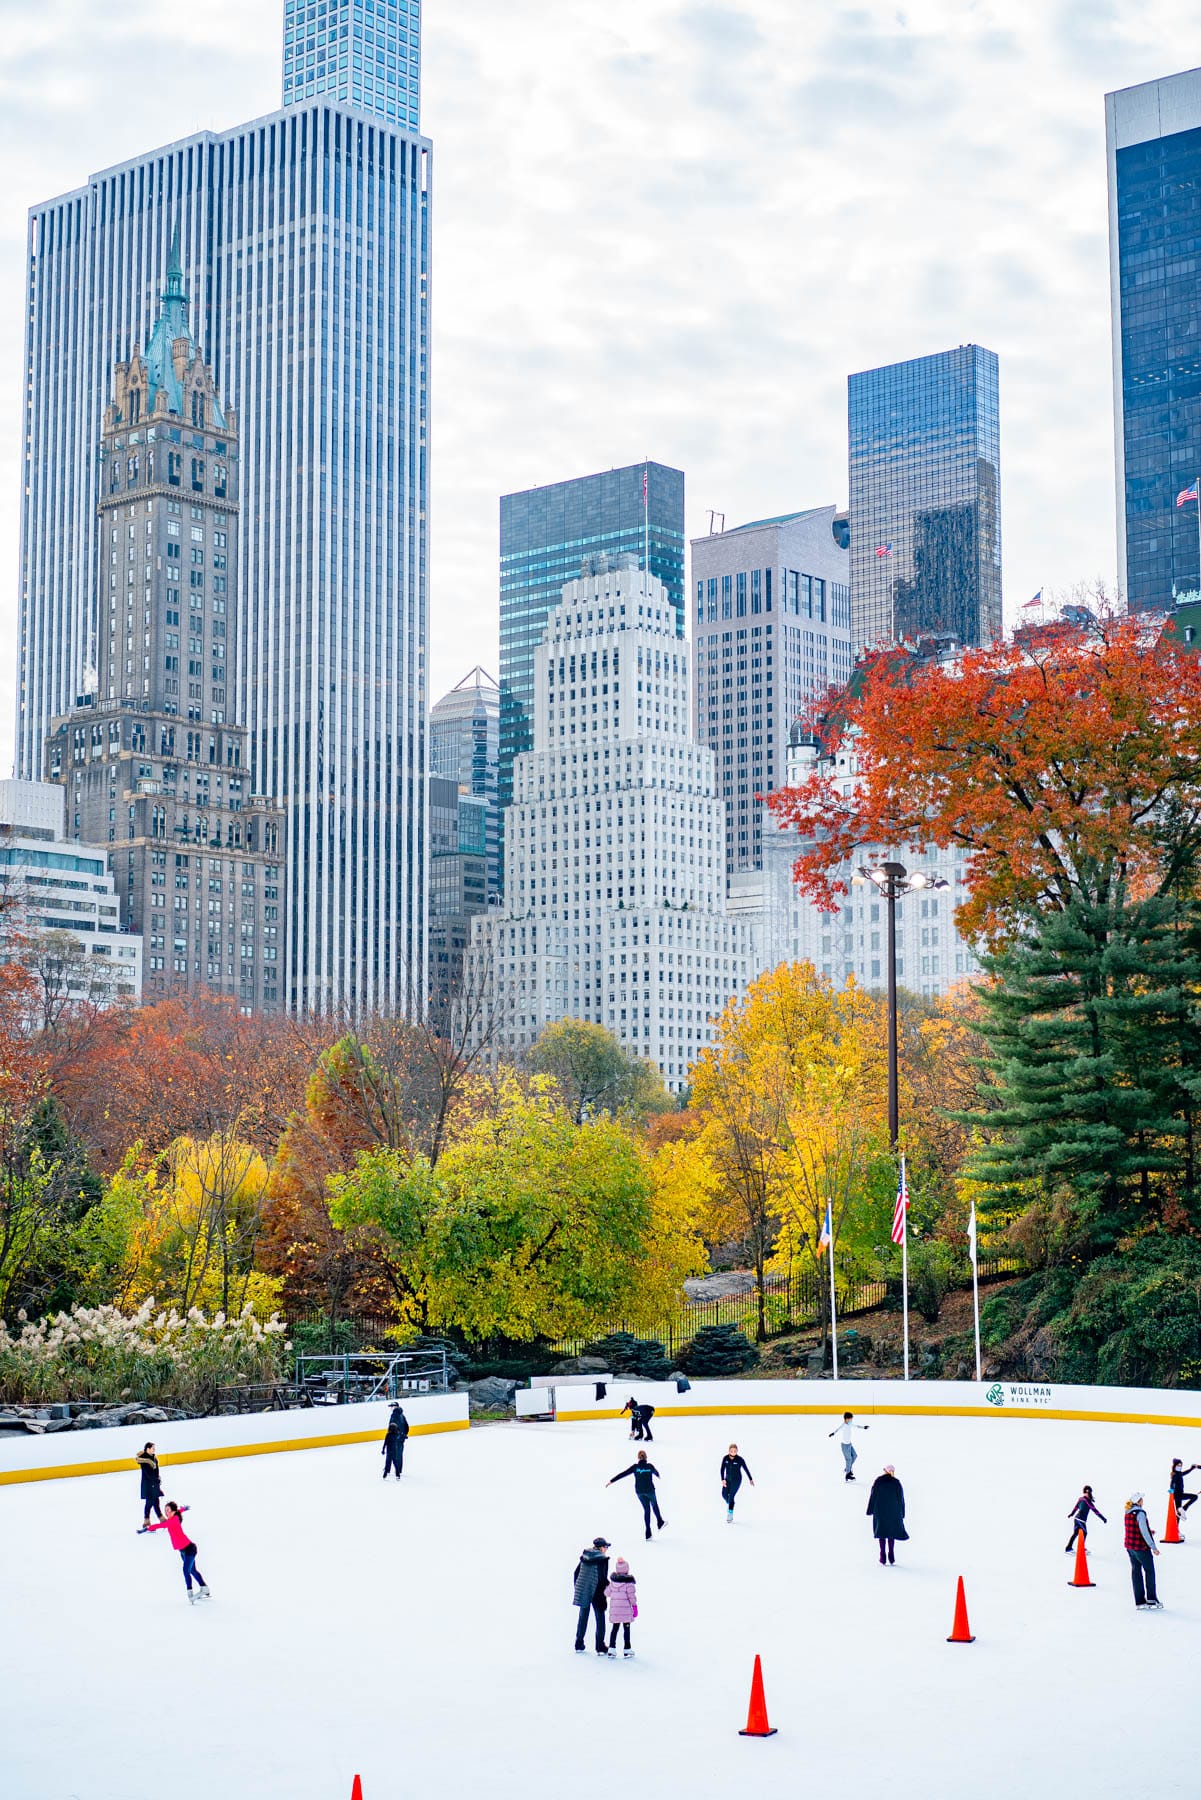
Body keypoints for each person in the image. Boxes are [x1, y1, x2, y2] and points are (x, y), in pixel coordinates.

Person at [142, 1501, 211, 1604]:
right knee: (192, 1570)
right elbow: (178, 1511)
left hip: (189, 1549)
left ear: (173, 1511)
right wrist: (183, 1509)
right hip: (183, 1551)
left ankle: (190, 1593)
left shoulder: (173, 1520)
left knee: (186, 1570)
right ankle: (204, 1588)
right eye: (165, 1511)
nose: (166, 1513)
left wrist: (147, 1528)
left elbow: (160, 1525)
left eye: (168, 1510)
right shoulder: (174, 1517)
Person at [608, 1450, 666, 1540]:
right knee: (654, 1505)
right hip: (650, 1490)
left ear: (638, 1458)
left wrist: (611, 1481)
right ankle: (660, 1522)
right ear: (646, 1457)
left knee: (647, 1510)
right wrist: (658, 1475)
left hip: (639, 1492)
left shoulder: (635, 1467)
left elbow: (623, 1474)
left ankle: (648, 1533)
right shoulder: (649, 1466)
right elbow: (655, 1472)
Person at [572, 1536, 611, 1655]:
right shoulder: (602, 1560)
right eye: (605, 1547)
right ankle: (600, 1646)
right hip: (597, 1592)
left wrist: (579, 1587)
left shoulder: (585, 1556)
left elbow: (576, 1573)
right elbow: (602, 1578)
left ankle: (579, 1644)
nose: (606, 1549)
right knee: (600, 1618)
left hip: (584, 1590)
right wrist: (608, 1589)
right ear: (600, 1548)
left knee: (583, 1617)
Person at [1123, 1493, 1162, 1610]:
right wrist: (1153, 1547)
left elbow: (1136, 1528)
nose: (1143, 1501)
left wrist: (1150, 1531)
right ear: (1139, 1502)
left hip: (1130, 1547)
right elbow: (1143, 1531)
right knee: (1149, 1571)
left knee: (1136, 1573)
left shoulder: (1127, 1512)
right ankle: (1151, 1599)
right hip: (1141, 1548)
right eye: (1142, 1500)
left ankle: (1139, 1601)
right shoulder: (1140, 1513)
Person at [866, 1464, 909, 1566]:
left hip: (880, 1511)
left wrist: (870, 1510)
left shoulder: (878, 1481)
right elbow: (901, 1499)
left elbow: (873, 1496)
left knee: (882, 1532)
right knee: (891, 1532)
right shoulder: (896, 1483)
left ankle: (882, 1555)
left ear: (884, 1471)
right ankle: (891, 1554)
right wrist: (902, 1512)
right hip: (893, 1511)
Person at [605, 1555, 638, 1658]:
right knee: (626, 1629)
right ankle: (627, 1649)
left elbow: (607, 1593)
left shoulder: (613, 1582)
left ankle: (611, 1649)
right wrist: (634, 1607)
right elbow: (631, 1597)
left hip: (615, 1611)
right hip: (626, 1612)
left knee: (614, 1629)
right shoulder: (629, 1584)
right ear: (627, 1570)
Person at [828, 1411, 869, 1482]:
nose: (851, 1420)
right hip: (844, 1446)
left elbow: (857, 1426)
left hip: (849, 1444)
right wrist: (833, 1433)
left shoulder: (850, 1424)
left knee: (855, 1456)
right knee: (849, 1459)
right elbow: (837, 1429)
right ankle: (847, 1475)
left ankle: (848, 1468)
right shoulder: (843, 1425)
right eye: (850, 1419)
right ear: (846, 1419)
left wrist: (864, 1427)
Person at [1065, 1484, 1106, 1553]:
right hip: (1081, 1520)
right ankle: (1080, 1548)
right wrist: (1103, 1518)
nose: (1087, 1494)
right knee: (1085, 1533)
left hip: (1077, 1519)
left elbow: (1076, 1507)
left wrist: (1072, 1514)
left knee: (1075, 1533)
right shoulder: (1087, 1501)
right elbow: (1096, 1511)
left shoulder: (1081, 1499)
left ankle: (1068, 1548)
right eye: (1087, 1492)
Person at [720, 1445, 754, 1521]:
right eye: (731, 1451)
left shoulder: (740, 1459)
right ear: (729, 1451)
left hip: (737, 1480)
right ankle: (731, 1503)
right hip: (727, 1480)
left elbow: (746, 1469)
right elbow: (722, 1469)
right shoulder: (725, 1458)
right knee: (724, 1495)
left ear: (737, 1451)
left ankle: (730, 1514)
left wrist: (750, 1479)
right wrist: (722, 1479)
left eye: (735, 1451)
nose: (733, 1452)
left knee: (731, 1496)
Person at [135, 1442, 163, 1526]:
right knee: (149, 1502)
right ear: (148, 1449)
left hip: (154, 1483)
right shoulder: (144, 1460)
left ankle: (161, 1518)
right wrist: (156, 1480)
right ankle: (146, 1521)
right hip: (148, 1485)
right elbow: (148, 1474)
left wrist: (158, 1478)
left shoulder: (153, 1458)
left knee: (156, 1501)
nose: (154, 1449)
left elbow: (156, 1471)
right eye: (152, 1448)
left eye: (154, 1448)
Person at [382, 1403, 409, 1480]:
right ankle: (399, 1469)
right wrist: (403, 1435)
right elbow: (407, 1426)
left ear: (395, 1407)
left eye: (392, 1407)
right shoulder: (402, 1415)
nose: (391, 1408)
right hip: (401, 1438)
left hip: (395, 1438)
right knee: (399, 1453)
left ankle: (387, 1469)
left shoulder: (394, 1415)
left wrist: (391, 1436)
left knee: (390, 1453)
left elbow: (391, 1427)